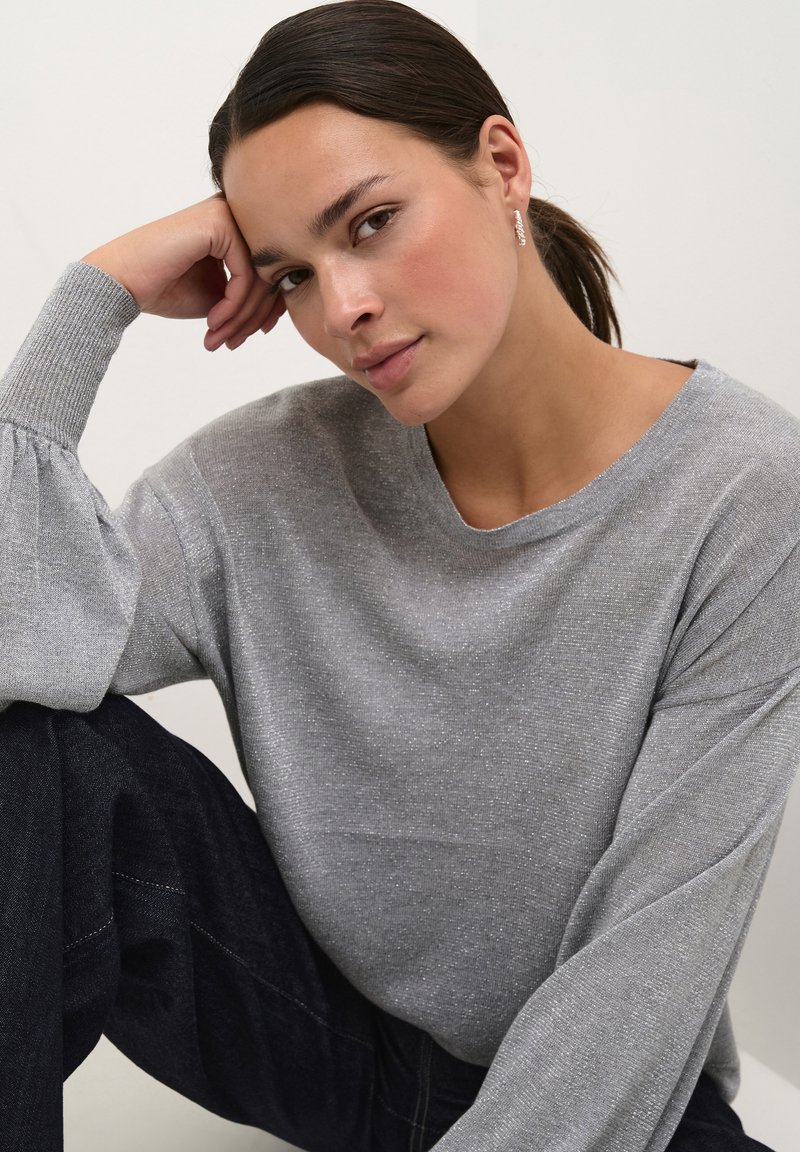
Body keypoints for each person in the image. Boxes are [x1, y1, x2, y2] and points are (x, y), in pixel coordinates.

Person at [0, 1, 797, 1149]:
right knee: (32, 754)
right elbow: (17, 654)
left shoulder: (741, 488)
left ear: (501, 165)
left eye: (370, 223)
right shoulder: (248, 483)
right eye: (291, 274)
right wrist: (94, 297)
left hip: (606, 1084)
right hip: (323, 1044)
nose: (344, 309)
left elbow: (649, 957)